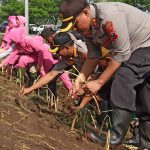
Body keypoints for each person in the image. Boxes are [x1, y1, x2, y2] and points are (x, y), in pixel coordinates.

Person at [59, 0, 150, 149]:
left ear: (86, 13)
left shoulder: (109, 16)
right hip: (136, 50)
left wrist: (99, 82)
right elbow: (93, 55)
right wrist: (80, 78)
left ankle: (115, 137)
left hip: (146, 44)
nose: (75, 29)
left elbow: (121, 54)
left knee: (124, 76)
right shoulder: (88, 28)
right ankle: (147, 142)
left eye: (74, 24)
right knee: (144, 92)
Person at [20, 31, 88, 96]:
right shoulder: (66, 58)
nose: (58, 54)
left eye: (58, 51)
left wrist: (84, 83)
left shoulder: (84, 51)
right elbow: (50, 75)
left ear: (67, 47)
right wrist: (30, 89)